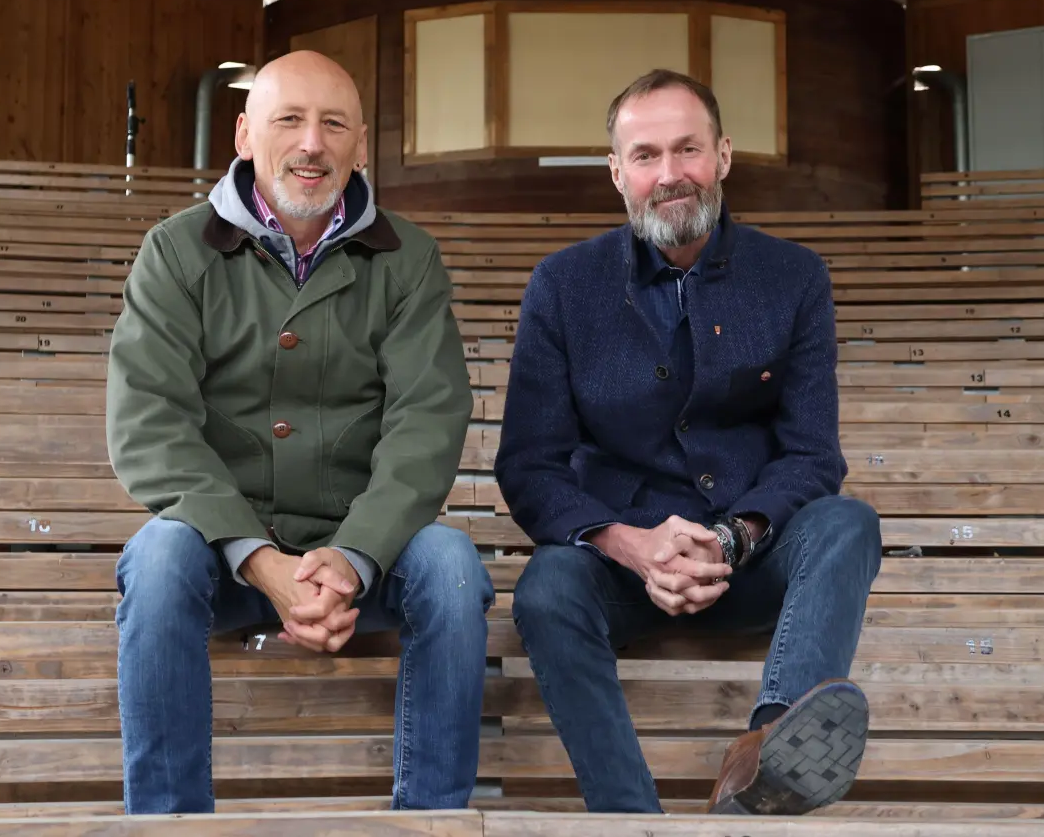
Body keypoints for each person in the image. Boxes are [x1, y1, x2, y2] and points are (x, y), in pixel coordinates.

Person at [105, 49, 492, 815]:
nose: (312, 143)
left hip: (365, 561)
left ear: (360, 146)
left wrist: (350, 559)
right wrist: (260, 562)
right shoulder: (176, 251)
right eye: (289, 119)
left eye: (334, 124)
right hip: (220, 555)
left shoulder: (409, 260)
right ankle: (168, 827)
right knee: (156, 558)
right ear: (245, 135)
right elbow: (150, 422)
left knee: (451, 567)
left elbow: (426, 419)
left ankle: (433, 824)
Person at [493, 68, 882, 817]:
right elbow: (529, 466)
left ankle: (769, 752)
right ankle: (631, 821)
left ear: (723, 155)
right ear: (617, 173)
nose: (670, 174)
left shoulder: (795, 277)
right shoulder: (562, 285)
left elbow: (812, 455)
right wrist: (632, 546)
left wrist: (733, 538)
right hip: (622, 569)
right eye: (645, 155)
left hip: (752, 558)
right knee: (545, 588)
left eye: (688, 149)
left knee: (847, 523)